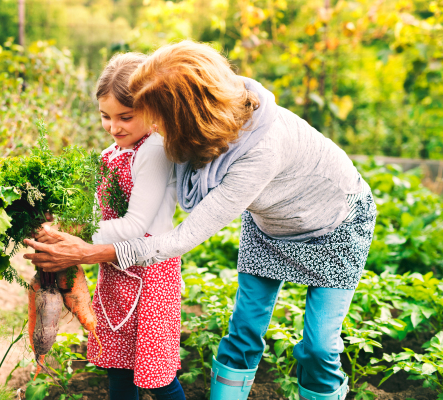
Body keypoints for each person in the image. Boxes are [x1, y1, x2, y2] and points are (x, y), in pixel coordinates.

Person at [24, 41, 376, 400]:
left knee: (318, 349)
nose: (153, 127)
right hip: (270, 224)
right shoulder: (203, 121)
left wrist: (83, 251)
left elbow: (179, 239)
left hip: (335, 225)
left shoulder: (261, 151)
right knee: (243, 333)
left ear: (187, 112)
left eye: (157, 115)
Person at [64, 52, 186, 400]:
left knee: (157, 375)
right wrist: (73, 224)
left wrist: (80, 240)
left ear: (154, 109)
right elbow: (99, 211)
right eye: (106, 116)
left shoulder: (154, 150)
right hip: (117, 268)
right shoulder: (117, 149)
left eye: (126, 117)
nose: (114, 127)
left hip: (149, 274)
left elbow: (134, 226)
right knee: (119, 367)